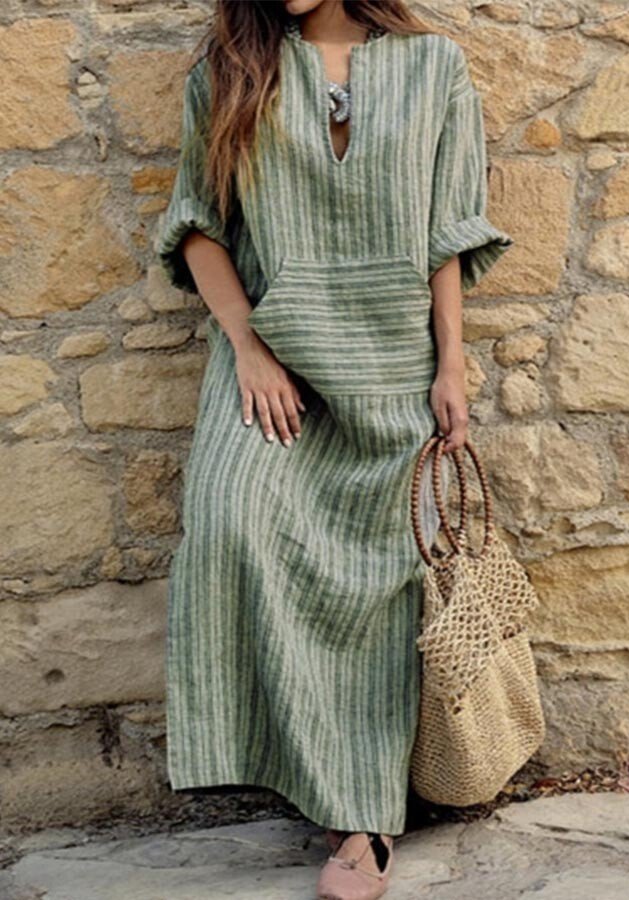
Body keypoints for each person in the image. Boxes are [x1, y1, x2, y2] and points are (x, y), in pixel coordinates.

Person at [155, 1, 513, 897]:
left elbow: (447, 229)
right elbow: (196, 222)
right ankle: (315, 778)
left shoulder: (433, 67)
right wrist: (247, 347)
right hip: (272, 367)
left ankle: (362, 822)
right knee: (229, 527)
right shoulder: (230, 71)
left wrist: (450, 364)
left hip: (394, 367)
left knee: (387, 579)